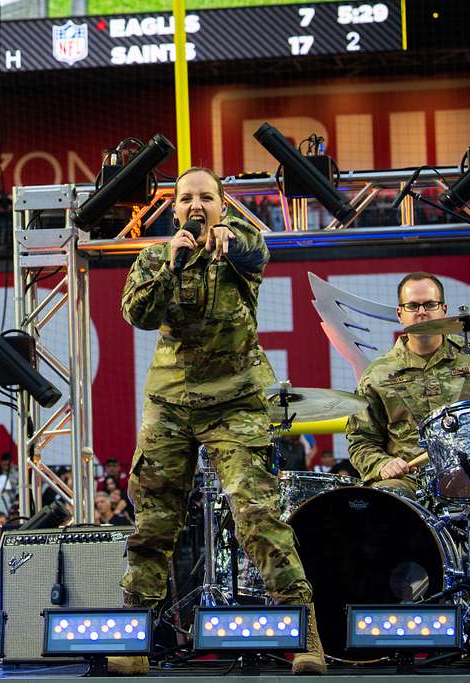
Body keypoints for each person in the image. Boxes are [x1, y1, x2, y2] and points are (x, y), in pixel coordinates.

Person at [117, 167, 323, 675]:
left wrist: (231, 241)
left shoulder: (242, 245)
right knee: (154, 521)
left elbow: (258, 251)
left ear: (221, 204)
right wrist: (172, 264)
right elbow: (136, 315)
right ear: (174, 207)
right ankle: (134, 637)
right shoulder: (154, 256)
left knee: (257, 517)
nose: (195, 205)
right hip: (170, 403)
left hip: (236, 402)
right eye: (186, 197)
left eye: (206, 197)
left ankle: (305, 634)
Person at [346, 272, 470, 499]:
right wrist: (382, 464)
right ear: (400, 313)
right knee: (384, 498)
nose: (422, 312)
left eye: (430, 304)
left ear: (444, 309)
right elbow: (361, 440)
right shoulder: (377, 375)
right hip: (410, 482)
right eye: (413, 306)